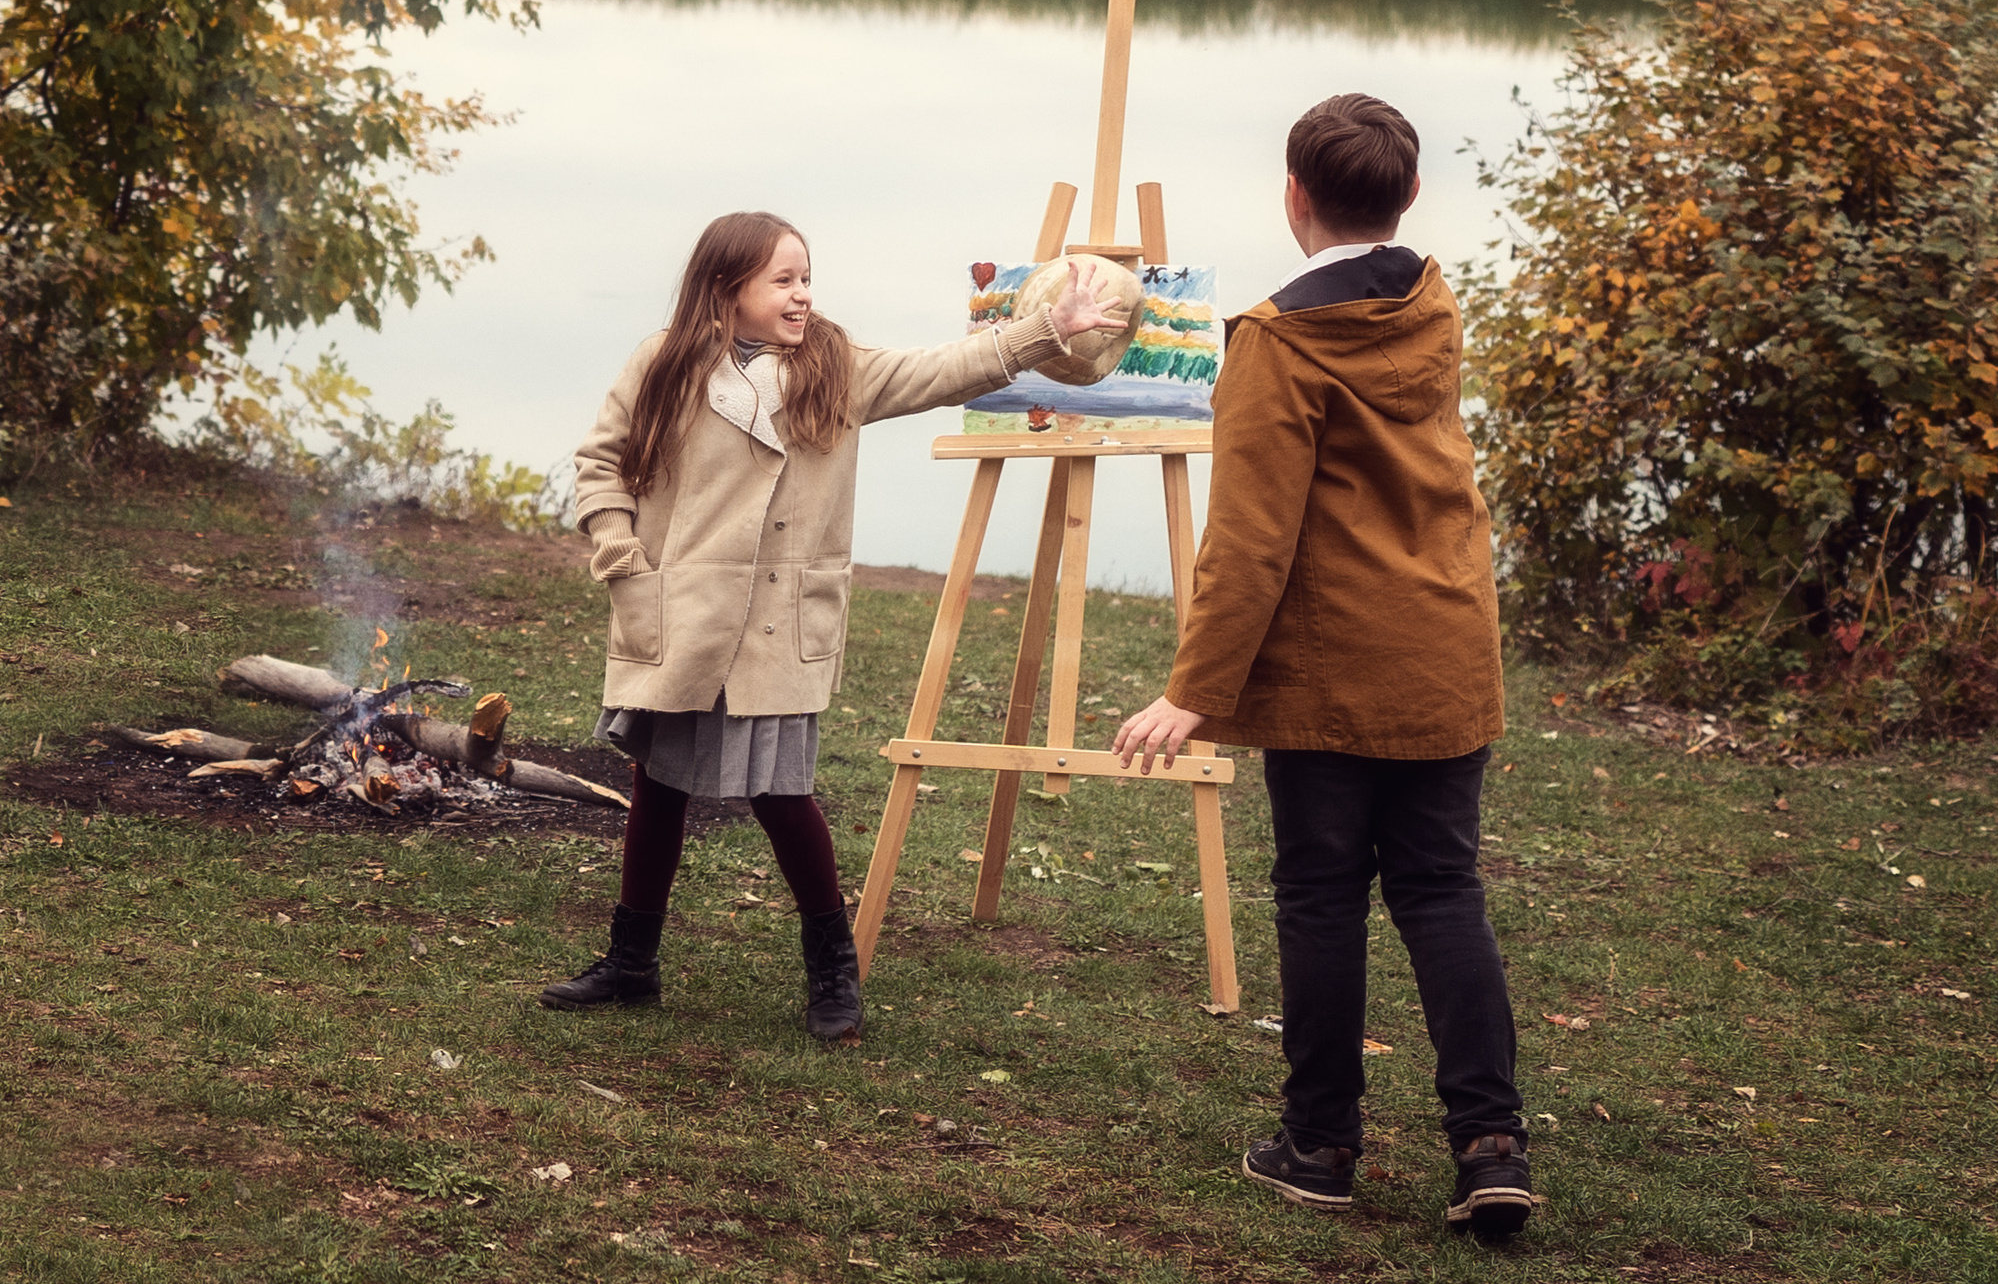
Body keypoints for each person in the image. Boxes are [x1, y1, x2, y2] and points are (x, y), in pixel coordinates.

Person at [541, 211, 1125, 1040]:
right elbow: (601, 461)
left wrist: (1042, 330)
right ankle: (631, 963)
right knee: (659, 782)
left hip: (779, 621)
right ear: (725, 289)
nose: (803, 294)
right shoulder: (663, 361)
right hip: (679, 611)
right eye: (783, 280)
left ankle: (834, 974)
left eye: (807, 277)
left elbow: (946, 370)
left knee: (782, 795)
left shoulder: (835, 368)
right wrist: (618, 550)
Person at [1110, 95, 1533, 1236]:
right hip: (1444, 645)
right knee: (1443, 891)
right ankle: (1490, 1144)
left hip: (1336, 670)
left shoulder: (1278, 341)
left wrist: (1192, 690)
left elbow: (1249, 540)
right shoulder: (1428, 302)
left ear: (1292, 196)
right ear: (1404, 198)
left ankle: (1319, 1145)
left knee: (1321, 896)